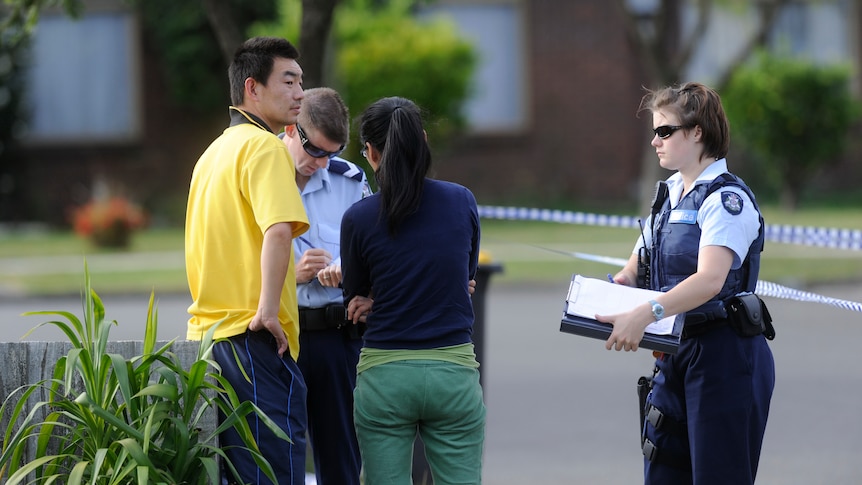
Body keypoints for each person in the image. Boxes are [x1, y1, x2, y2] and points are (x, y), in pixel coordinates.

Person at [596, 82, 775, 484]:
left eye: (665, 131)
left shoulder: (727, 199)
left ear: (697, 132)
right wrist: (619, 286)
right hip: (675, 350)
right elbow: (638, 261)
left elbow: (710, 280)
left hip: (725, 354)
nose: (655, 142)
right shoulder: (670, 193)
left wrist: (644, 313)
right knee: (663, 472)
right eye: (654, 132)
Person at [340, 96, 486, 484]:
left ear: (370, 153)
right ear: (422, 140)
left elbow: (354, 298)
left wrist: (375, 299)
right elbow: (465, 275)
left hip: (385, 375)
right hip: (453, 373)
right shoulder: (461, 200)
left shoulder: (358, 217)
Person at [184, 36, 309, 485]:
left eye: (302, 82)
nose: (300, 93)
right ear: (252, 88)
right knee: (273, 474)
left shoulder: (212, 154)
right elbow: (278, 230)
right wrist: (269, 311)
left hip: (208, 342)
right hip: (254, 339)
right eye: (289, 81)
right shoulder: (266, 147)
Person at [280, 87, 370, 485]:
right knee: (281, 455)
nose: (321, 163)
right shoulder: (254, 175)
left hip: (336, 336)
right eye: (314, 151)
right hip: (281, 336)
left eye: (330, 154)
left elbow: (374, 253)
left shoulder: (349, 182)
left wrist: (348, 271)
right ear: (289, 128)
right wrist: (290, 275)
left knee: (341, 458)